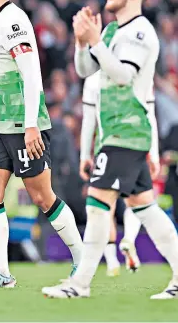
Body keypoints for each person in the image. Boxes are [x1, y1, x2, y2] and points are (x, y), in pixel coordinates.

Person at [42, 0, 178, 299]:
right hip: (113, 133)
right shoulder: (114, 31)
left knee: (97, 204)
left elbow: (122, 75)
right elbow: (86, 68)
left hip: (129, 131)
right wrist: (81, 41)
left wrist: (95, 42)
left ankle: (80, 284)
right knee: (146, 209)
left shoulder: (141, 32)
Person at [0, 0, 83, 288]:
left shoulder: (14, 22)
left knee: (42, 196)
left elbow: (32, 77)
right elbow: (0, 79)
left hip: (23, 125)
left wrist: (32, 125)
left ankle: (81, 259)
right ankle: (1, 273)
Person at [80, 70, 160, 276]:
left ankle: (110, 261)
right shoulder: (140, 75)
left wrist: (84, 156)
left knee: (104, 204)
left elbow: (89, 121)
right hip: (137, 143)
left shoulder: (93, 79)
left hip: (106, 147)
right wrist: (154, 154)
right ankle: (129, 239)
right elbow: (150, 115)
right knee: (139, 201)